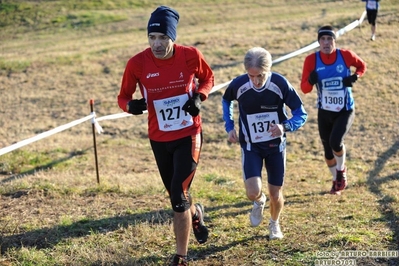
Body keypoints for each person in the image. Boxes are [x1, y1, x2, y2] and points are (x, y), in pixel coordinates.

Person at [117, 6, 214, 266]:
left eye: (163, 38)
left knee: (176, 196)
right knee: (178, 194)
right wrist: (131, 106)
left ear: (173, 38)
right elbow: (122, 97)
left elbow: (208, 78)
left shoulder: (190, 55)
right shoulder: (137, 63)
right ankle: (196, 215)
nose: (157, 44)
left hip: (188, 134)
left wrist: (198, 97)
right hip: (159, 138)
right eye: (152, 38)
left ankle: (181, 256)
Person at [222, 47, 307, 240]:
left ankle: (274, 224)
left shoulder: (279, 83)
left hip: (275, 147)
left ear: (268, 70)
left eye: (260, 76)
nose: (255, 81)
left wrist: (285, 126)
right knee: (252, 192)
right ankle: (259, 202)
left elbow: (301, 113)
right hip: (251, 145)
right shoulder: (240, 84)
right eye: (251, 76)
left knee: (275, 193)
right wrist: (229, 125)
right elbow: (226, 100)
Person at [300, 25, 367, 195]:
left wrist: (355, 77)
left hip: (345, 109)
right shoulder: (311, 60)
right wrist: (310, 80)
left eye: (329, 39)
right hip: (324, 111)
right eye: (322, 39)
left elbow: (362, 66)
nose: (326, 42)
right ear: (318, 42)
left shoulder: (345, 55)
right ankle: (336, 181)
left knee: (335, 142)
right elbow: (305, 89)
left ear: (334, 41)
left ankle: (341, 170)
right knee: (328, 152)